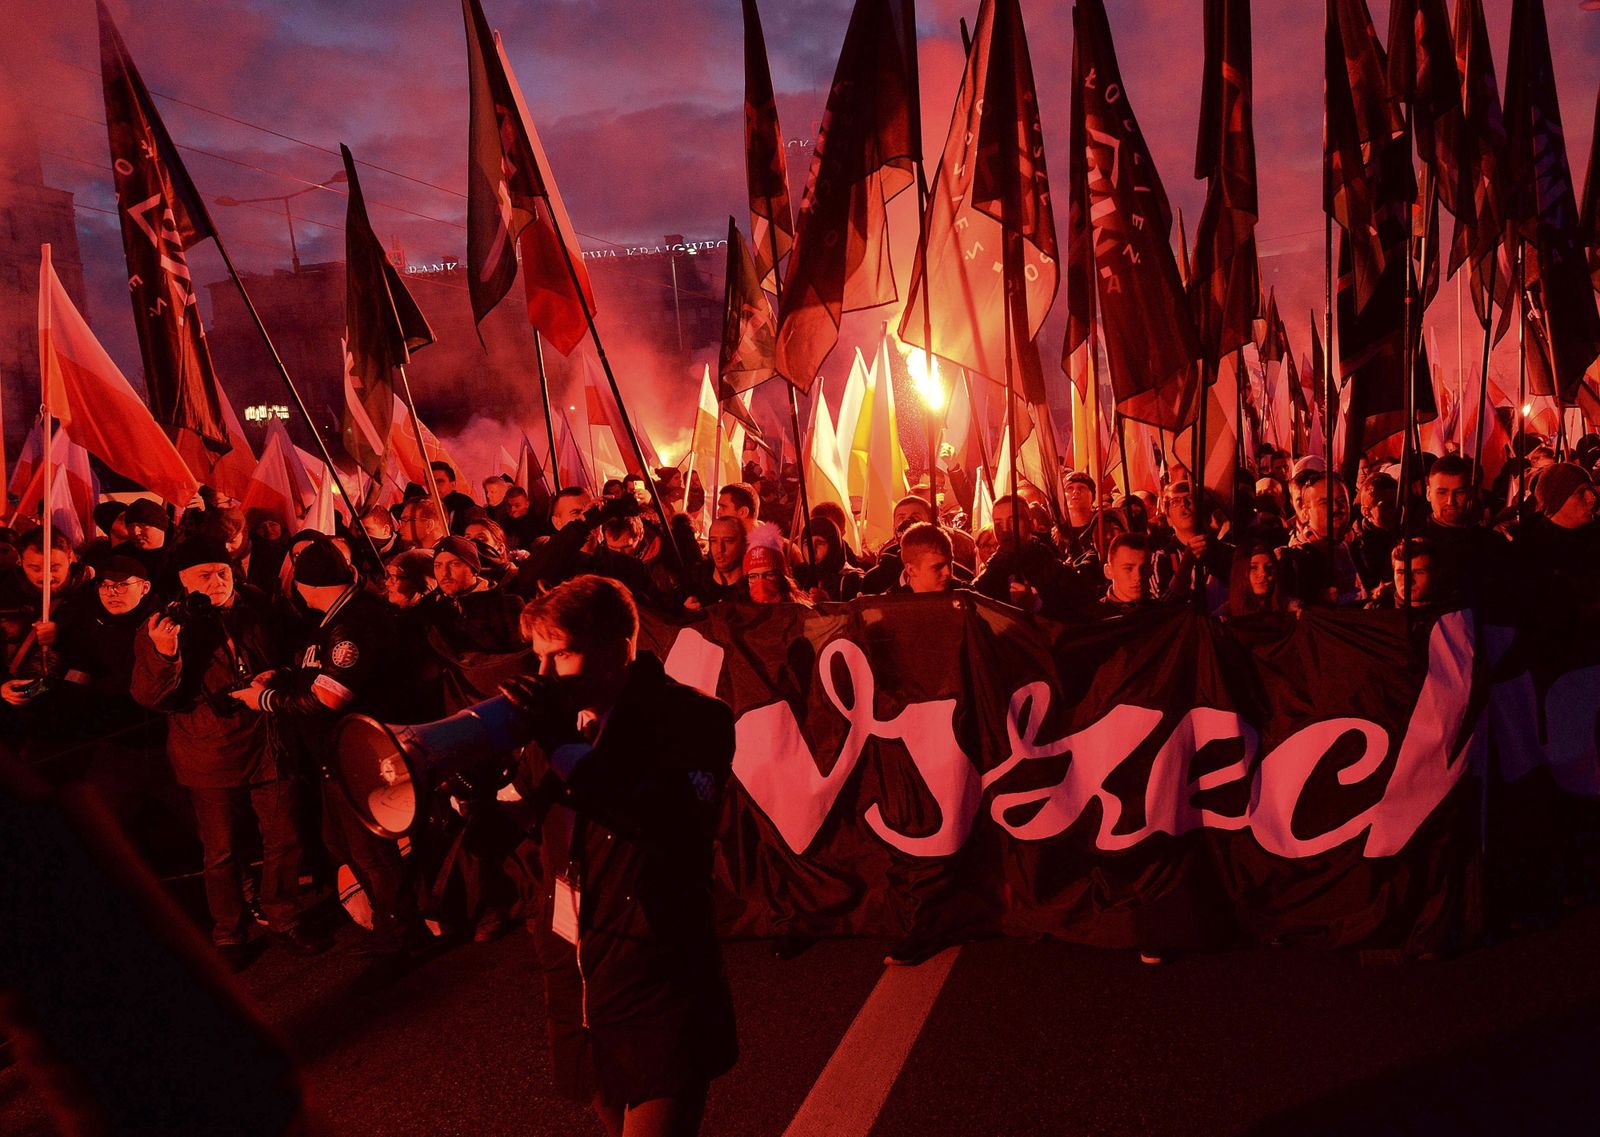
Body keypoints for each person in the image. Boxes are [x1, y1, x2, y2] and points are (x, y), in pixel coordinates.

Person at [501, 575, 737, 1137]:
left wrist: (563, 749)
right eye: (538, 657)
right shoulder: (560, 729)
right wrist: (470, 793)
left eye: (558, 655)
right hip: (580, 976)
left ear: (615, 649)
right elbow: (514, 832)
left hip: (659, 973)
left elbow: (666, 818)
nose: (543, 676)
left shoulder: (692, 718)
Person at [230, 537, 420, 980]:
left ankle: (401, 933)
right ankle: (390, 926)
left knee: (371, 851)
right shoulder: (333, 619)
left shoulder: (353, 625)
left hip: (361, 752)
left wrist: (267, 699)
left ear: (305, 585)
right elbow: (319, 673)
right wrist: (287, 674)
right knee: (341, 844)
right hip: (336, 754)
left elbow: (327, 700)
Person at [130, 537, 320, 970]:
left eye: (223, 572)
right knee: (221, 851)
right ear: (182, 581)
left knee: (284, 838)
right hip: (207, 751)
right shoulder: (164, 624)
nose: (216, 581)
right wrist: (164, 653)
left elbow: (303, 655)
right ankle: (229, 933)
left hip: (269, 741)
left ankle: (284, 916)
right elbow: (149, 696)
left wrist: (283, 673)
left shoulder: (260, 606)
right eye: (204, 575)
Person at [973, 494, 1078, 616]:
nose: (1005, 529)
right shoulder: (990, 575)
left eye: (1013, 521)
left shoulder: (1055, 571)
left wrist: (1036, 604)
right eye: (998, 523)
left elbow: (1074, 620)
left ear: (1031, 524)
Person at [684, 518, 746, 609]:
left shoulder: (752, 584)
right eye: (714, 541)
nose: (719, 549)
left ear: (744, 544)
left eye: (728, 541)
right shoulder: (696, 579)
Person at [1094, 533, 1157, 618]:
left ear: (1151, 569)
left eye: (1143, 568)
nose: (1138, 577)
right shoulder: (1096, 619)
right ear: (1109, 571)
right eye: (1128, 568)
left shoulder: (1160, 615)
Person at [896, 522, 958, 594]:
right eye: (937, 567)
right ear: (911, 570)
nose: (947, 572)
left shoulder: (966, 599)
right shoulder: (888, 603)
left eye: (950, 563)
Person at [431, 461, 478, 532]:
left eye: (440, 481)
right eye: (430, 481)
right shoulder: (423, 504)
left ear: (452, 485)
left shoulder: (464, 504)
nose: (434, 486)